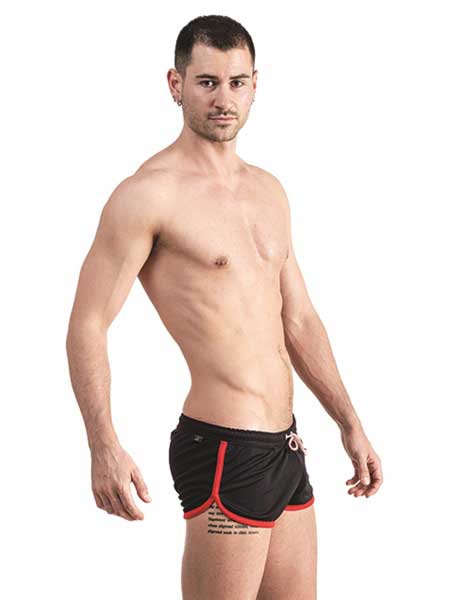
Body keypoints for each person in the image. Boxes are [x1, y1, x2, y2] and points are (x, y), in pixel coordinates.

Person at [66, 14, 383, 600]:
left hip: (285, 445)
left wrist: (349, 422)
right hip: (222, 446)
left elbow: (298, 318)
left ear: (255, 84)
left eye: (237, 82)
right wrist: (102, 445)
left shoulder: (269, 190)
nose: (223, 99)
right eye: (207, 82)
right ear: (176, 84)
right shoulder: (147, 196)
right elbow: (87, 324)